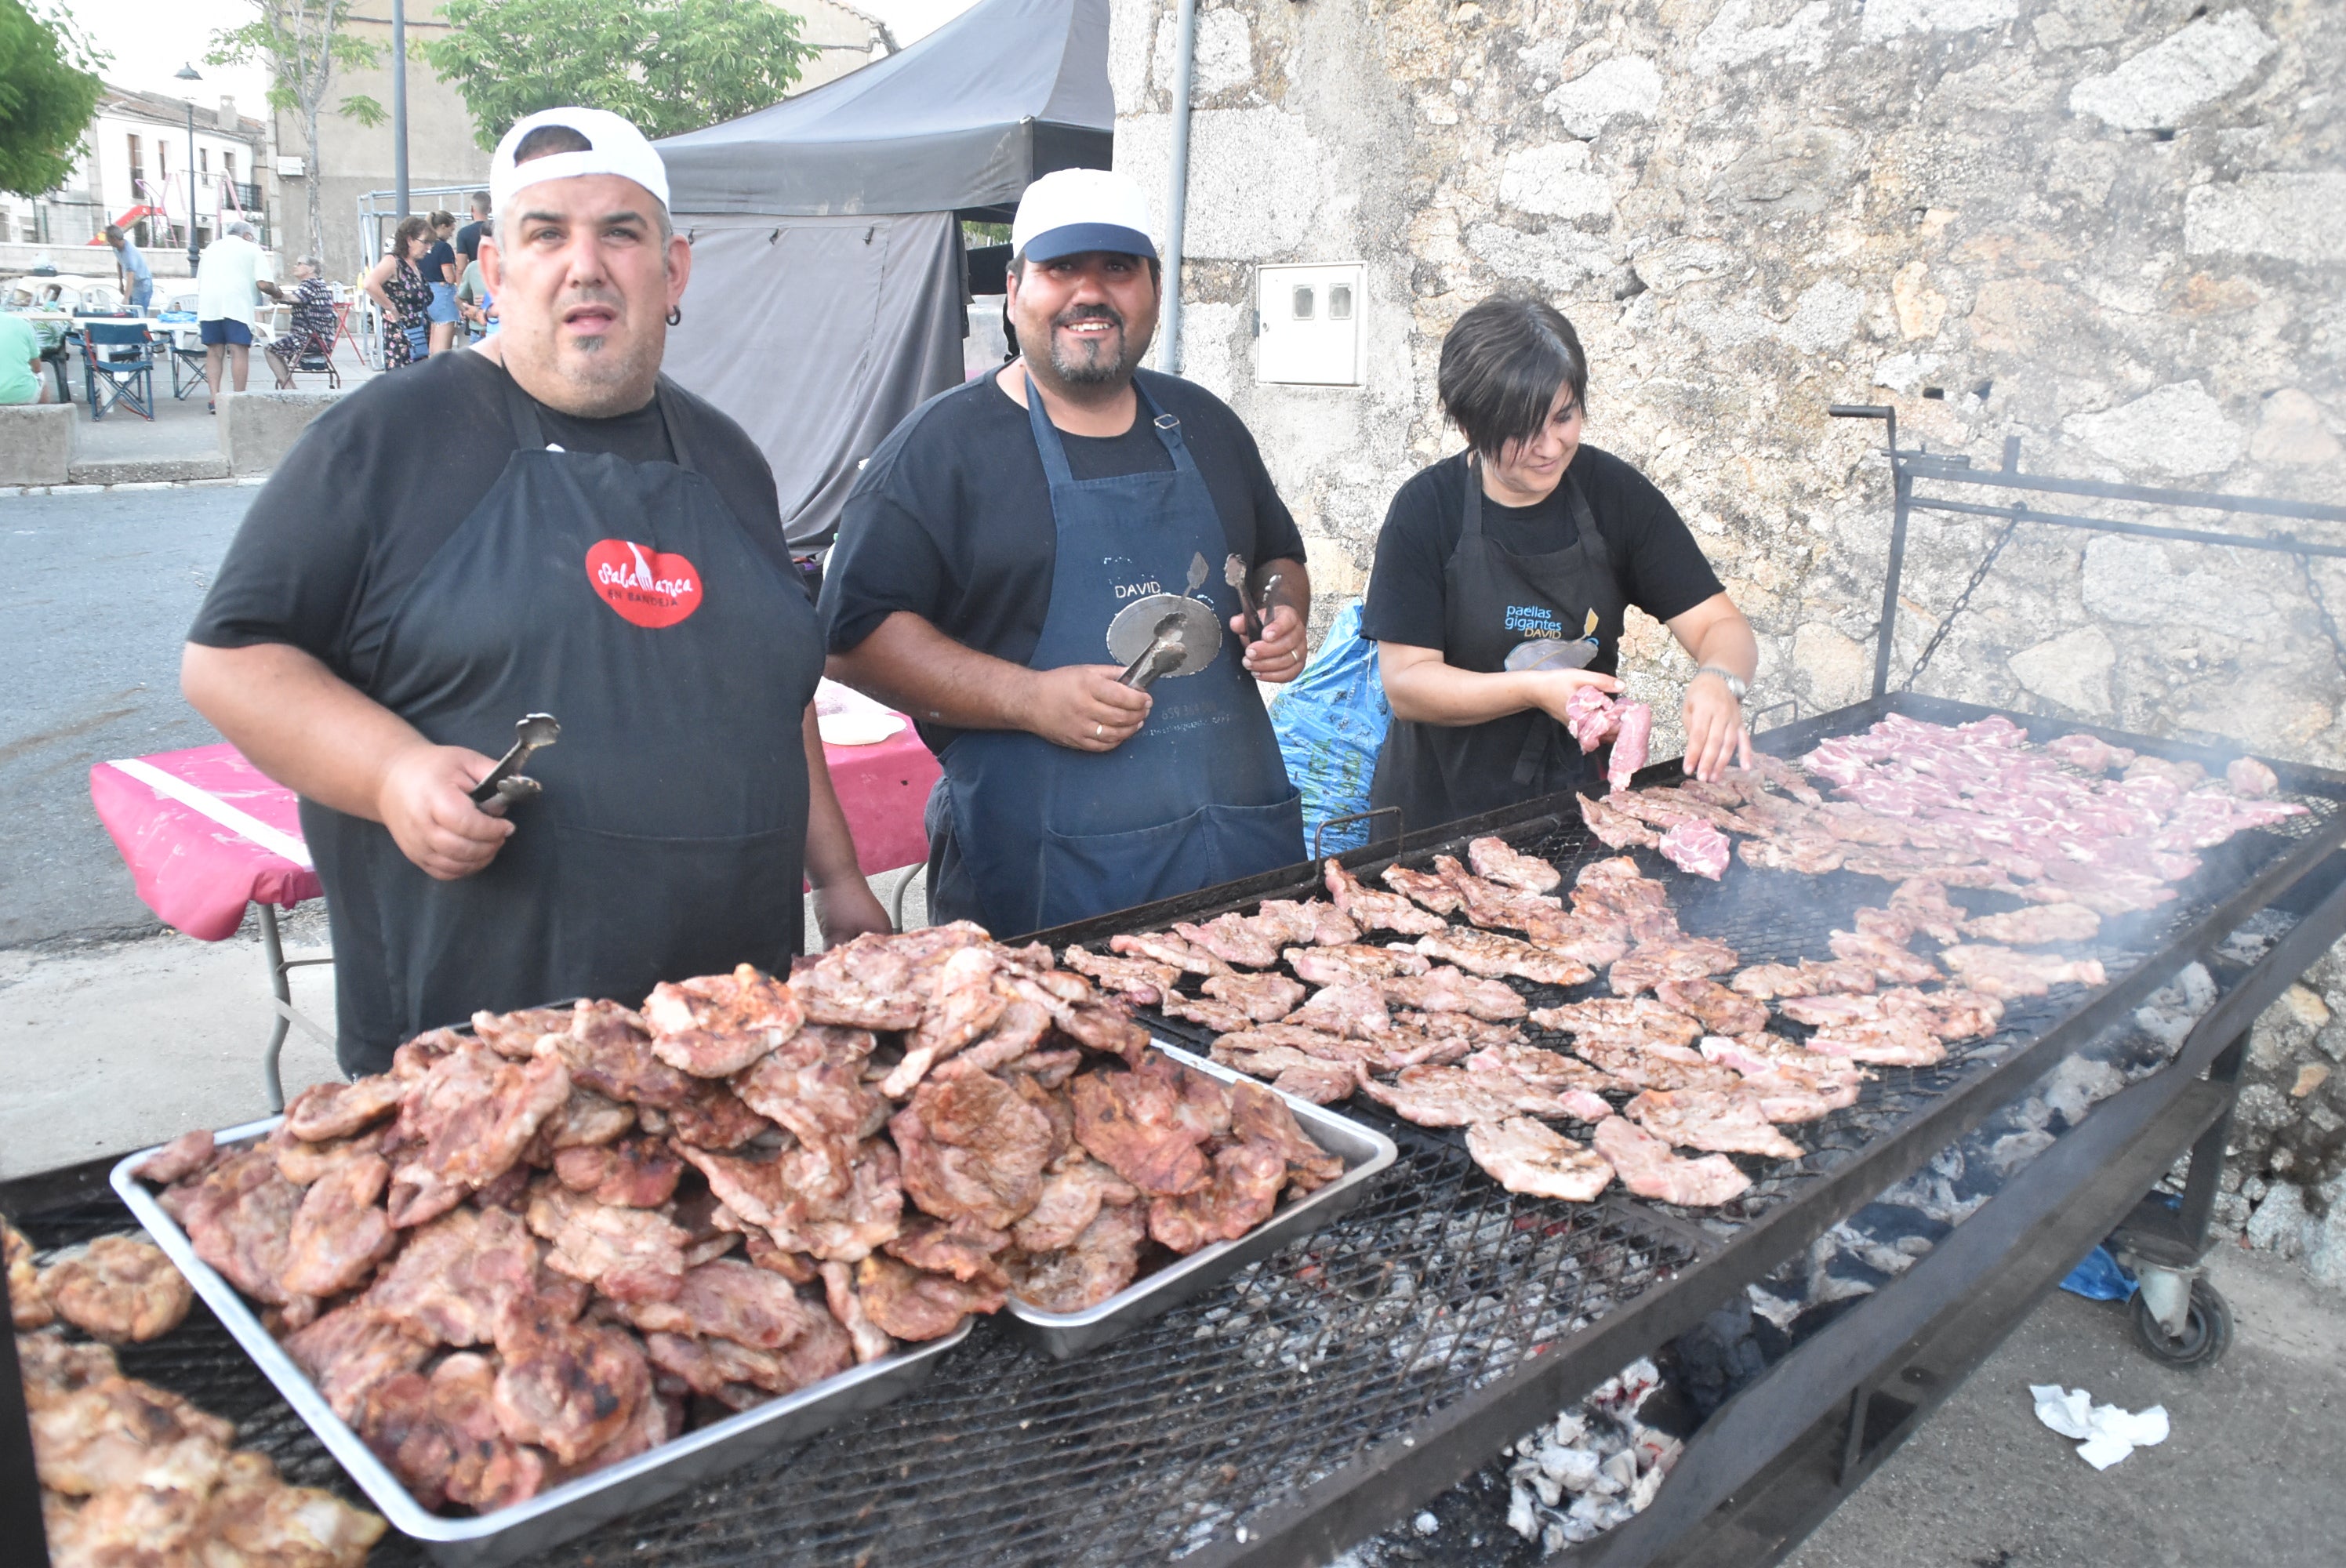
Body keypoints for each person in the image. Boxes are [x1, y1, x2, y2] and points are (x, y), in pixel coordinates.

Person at [181, 106, 890, 1075]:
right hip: (482, 1048)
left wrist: (840, 877)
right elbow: (233, 660)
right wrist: (391, 770)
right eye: (546, 233)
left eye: (621, 232)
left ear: (673, 270)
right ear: (496, 271)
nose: (584, 264)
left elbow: (776, 683)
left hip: (730, 1024)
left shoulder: (730, 459)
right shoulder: (390, 439)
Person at [821, 168, 1311, 938]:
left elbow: (1278, 555)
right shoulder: (939, 450)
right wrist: (1028, 698)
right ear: (1014, 289)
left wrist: (1282, 612)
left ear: (1153, 286)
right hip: (1049, 877)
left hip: (1242, 863)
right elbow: (850, 641)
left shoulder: (1205, 423)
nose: (1091, 293)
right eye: (1061, 270)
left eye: (1117, 269)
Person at [1362, 295, 1758, 829]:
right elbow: (1407, 684)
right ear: (1470, 427)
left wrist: (1719, 679)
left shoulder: (1614, 496)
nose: (1551, 446)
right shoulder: (1426, 510)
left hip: (1576, 813)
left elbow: (1718, 623)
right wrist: (1532, 689)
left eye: (1565, 417)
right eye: (1524, 430)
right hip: (1436, 820)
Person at [195, 220, 272, 408]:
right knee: (239, 350)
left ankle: (215, 398)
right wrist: (277, 293)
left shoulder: (211, 248)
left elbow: (200, 278)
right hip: (236, 304)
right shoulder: (251, 249)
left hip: (209, 304)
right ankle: (238, 398)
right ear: (247, 235)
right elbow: (263, 283)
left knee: (214, 351)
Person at [364, 216, 434, 368]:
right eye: (425, 242)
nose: (429, 247)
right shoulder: (393, 262)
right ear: (410, 240)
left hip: (418, 336)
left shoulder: (416, 266)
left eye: (431, 243)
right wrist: (390, 307)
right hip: (401, 337)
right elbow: (369, 284)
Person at [262, 256, 336, 388]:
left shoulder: (311, 284)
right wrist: (279, 296)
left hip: (309, 338)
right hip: (319, 337)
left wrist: (277, 294)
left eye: (299, 264)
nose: (295, 266)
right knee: (276, 351)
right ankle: (289, 387)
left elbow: (295, 298)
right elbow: (295, 298)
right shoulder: (317, 284)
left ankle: (289, 389)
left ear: (311, 268)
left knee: (270, 351)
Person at [423, 209, 461, 357]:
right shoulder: (443, 248)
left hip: (428, 295)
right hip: (443, 295)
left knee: (433, 346)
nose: (451, 234)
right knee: (443, 351)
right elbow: (449, 277)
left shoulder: (425, 246)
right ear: (443, 226)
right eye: (451, 230)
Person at [0, 310, 48, 405]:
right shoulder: (20, 323)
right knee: (42, 378)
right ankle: (44, 415)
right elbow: (37, 368)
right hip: (20, 394)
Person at [104, 225, 153, 314]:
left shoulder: (129, 253)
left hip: (142, 285)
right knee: (131, 314)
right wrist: (121, 282)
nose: (107, 241)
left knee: (138, 315)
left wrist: (126, 298)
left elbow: (131, 277)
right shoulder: (116, 248)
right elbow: (119, 261)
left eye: (108, 238)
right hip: (132, 285)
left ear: (114, 239)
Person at [453, 190, 492, 274]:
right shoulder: (499, 229)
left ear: (472, 208)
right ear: (490, 210)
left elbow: (461, 267)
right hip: (497, 279)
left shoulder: (463, 233)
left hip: (475, 279)